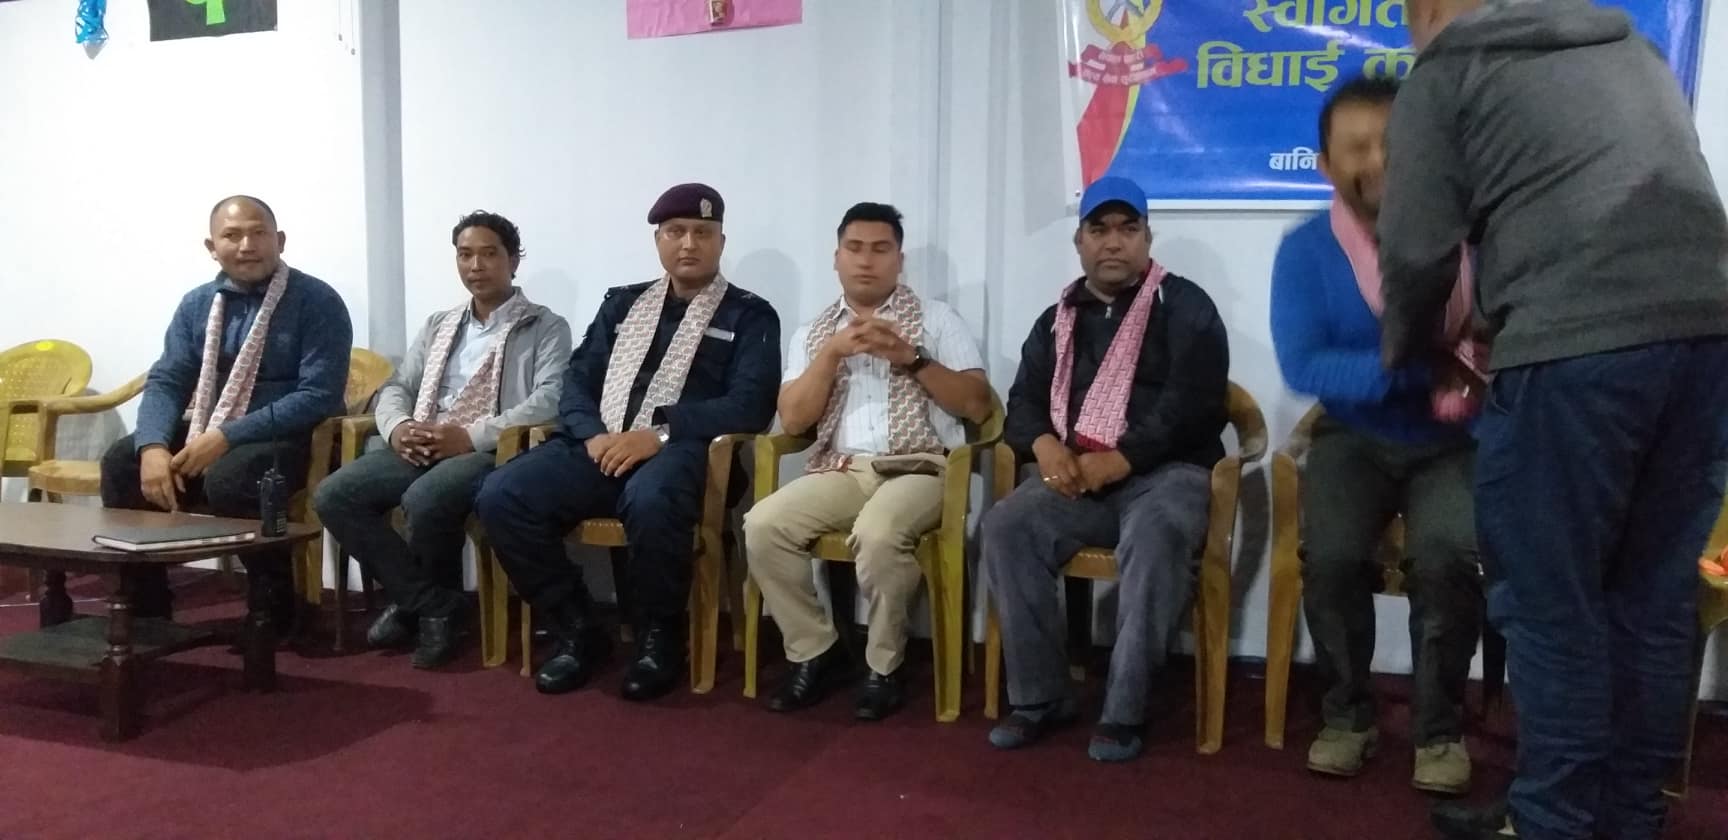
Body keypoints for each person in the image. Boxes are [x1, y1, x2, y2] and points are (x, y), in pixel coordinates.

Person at [1382, 3, 1728, 837]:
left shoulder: (1447, 70)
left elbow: (1417, 252)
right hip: (1710, 342)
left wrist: (1410, 353)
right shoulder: (1628, 47)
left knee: (1550, 607)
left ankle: (1551, 824)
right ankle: (1625, 819)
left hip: (1577, 351)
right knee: (1651, 603)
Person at [475, 184, 780, 700]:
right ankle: (577, 627)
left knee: (651, 498)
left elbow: (750, 404)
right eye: (676, 232)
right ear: (658, 240)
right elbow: (577, 381)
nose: (689, 243)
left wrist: (659, 433)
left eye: (703, 233)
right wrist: (593, 435)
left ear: (721, 243)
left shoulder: (749, 315)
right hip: (602, 444)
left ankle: (659, 638)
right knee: (501, 494)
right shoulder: (623, 304)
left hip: (688, 452)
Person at [1269, 75, 1482, 795]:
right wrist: (1418, 367)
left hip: (1455, 439)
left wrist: (1450, 370)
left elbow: (1502, 336)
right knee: (1329, 557)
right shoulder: (1305, 251)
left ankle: (1439, 730)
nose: (1378, 161)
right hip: (1353, 434)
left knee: (1448, 559)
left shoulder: (1474, 238)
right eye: (1356, 147)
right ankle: (1347, 716)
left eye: (1392, 142)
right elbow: (1305, 364)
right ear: (1325, 164)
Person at [982, 176, 1229, 762]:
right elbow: (1023, 400)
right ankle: (1041, 698)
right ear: (1079, 241)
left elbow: (1193, 406)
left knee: (1158, 533)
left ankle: (1124, 710)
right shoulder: (1057, 319)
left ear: (1147, 238)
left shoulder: (1186, 306)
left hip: (1167, 473)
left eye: (1127, 229)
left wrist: (1121, 460)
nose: (1113, 242)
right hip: (1077, 476)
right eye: (1099, 229)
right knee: (1006, 526)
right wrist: (1044, 445)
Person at [742, 202, 991, 721]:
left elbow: (976, 405)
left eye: (880, 249)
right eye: (854, 248)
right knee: (763, 525)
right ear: (836, 258)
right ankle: (815, 650)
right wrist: (831, 354)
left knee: (878, 533)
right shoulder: (813, 332)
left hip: (922, 467)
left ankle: (884, 666)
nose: (866, 260)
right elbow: (793, 420)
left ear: (899, 260)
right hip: (843, 468)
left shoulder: (938, 319)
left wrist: (910, 357)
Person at [313, 211, 570, 669]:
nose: (476, 266)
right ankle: (432, 603)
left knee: (426, 498)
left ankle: (420, 608)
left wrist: (469, 436)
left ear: (513, 260)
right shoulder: (440, 324)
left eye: (489, 254)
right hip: (422, 438)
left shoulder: (544, 326)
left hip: (489, 449)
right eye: (465, 255)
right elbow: (397, 385)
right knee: (335, 495)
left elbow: (549, 400)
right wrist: (398, 427)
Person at [100, 195, 352, 636]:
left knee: (233, 477)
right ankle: (147, 607)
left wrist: (228, 436)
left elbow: (318, 395)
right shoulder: (197, 304)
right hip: (209, 425)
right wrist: (153, 445)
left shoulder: (317, 300)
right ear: (211, 247)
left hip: (290, 435)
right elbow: (168, 379)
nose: (247, 245)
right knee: (123, 462)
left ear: (280, 241)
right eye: (232, 235)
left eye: (258, 233)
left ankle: (274, 607)